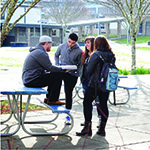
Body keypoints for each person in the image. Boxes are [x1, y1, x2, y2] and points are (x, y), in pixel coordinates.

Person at [76, 36, 116, 136]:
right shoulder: (111, 55)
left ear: (96, 44)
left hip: (94, 84)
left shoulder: (96, 54)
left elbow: (89, 70)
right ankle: (102, 129)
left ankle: (87, 129)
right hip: (106, 85)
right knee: (104, 105)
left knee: (86, 103)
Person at [22, 35, 67, 105]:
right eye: (50, 44)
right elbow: (50, 68)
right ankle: (53, 99)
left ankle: (49, 98)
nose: (51, 46)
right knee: (58, 75)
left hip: (29, 79)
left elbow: (48, 68)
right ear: (46, 43)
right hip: (32, 80)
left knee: (53, 75)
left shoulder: (37, 51)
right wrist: (63, 70)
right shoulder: (41, 53)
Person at [55, 33, 82, 110]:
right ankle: (53, 100)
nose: (70, 44)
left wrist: (77, 74)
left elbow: (80, 64)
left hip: (72, 74)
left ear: (76, 42)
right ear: (67, 39)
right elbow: (56, 55)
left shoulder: (79, 51)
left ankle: (68, 111)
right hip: (62, 71)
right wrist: (57, 64)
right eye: (69, 42)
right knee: (55, 83)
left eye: (73, 43)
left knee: (68, 92)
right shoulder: (61, 46)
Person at [80, 36, 101, 127]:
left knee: (98, 101)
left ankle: (100, 119)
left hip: (94, 83)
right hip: (86, 81)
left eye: (88, 42)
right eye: (86, 43)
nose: (86, 45)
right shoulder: (85, 54)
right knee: (87, 103)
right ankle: (88, 121)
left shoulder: (96, 55)